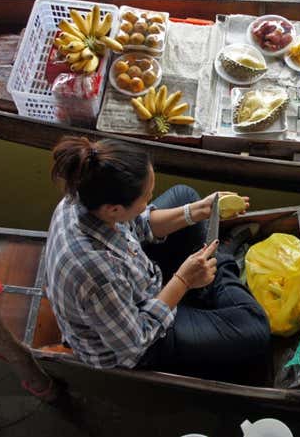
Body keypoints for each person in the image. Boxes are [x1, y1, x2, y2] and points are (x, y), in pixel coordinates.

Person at [44, 136, 271, 376]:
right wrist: (183, 281)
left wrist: (197, 211)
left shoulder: (84, 193)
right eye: (146, 198)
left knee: (185, 196)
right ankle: (222, 262)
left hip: (135, 279)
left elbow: (135, 225)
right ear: (115, 209)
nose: (149, 200)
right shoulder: (98, 274)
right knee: (255, 327)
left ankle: (211, 272)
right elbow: (136, 343)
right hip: (137, 339)